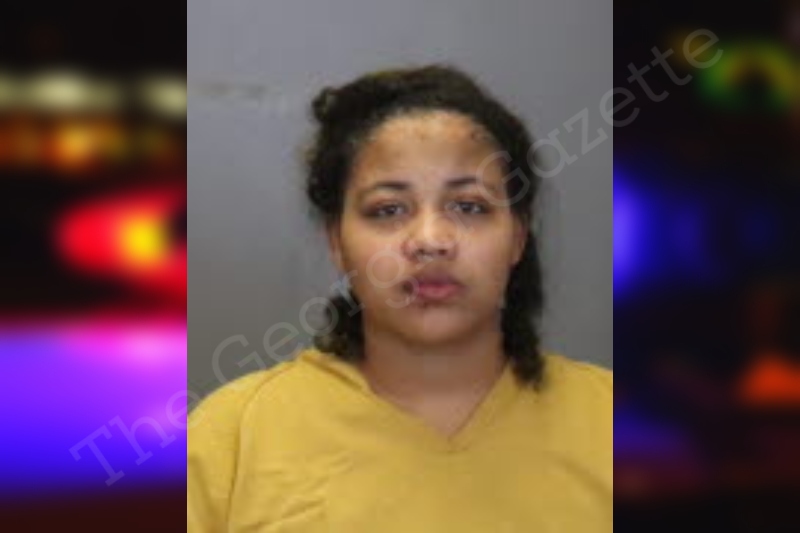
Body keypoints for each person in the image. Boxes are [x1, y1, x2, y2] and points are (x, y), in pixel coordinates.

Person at [188, 64, 612, 532]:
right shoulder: (231, 438)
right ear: (336, 241)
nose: (430, 240)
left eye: (469, 206)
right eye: (388, 209)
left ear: (518, 236)